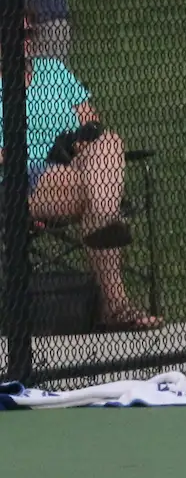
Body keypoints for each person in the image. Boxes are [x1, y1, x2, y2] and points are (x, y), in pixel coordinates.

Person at [14, 20, 157, 331]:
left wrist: (81, 138)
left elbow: (89, 117)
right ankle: (116, 305)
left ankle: (103, 217)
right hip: (24, 175)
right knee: (96, 193)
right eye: (14, 33)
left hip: (77, 163)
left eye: (28, 33)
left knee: (109, 141)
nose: (25, 40)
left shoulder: (52, 70)